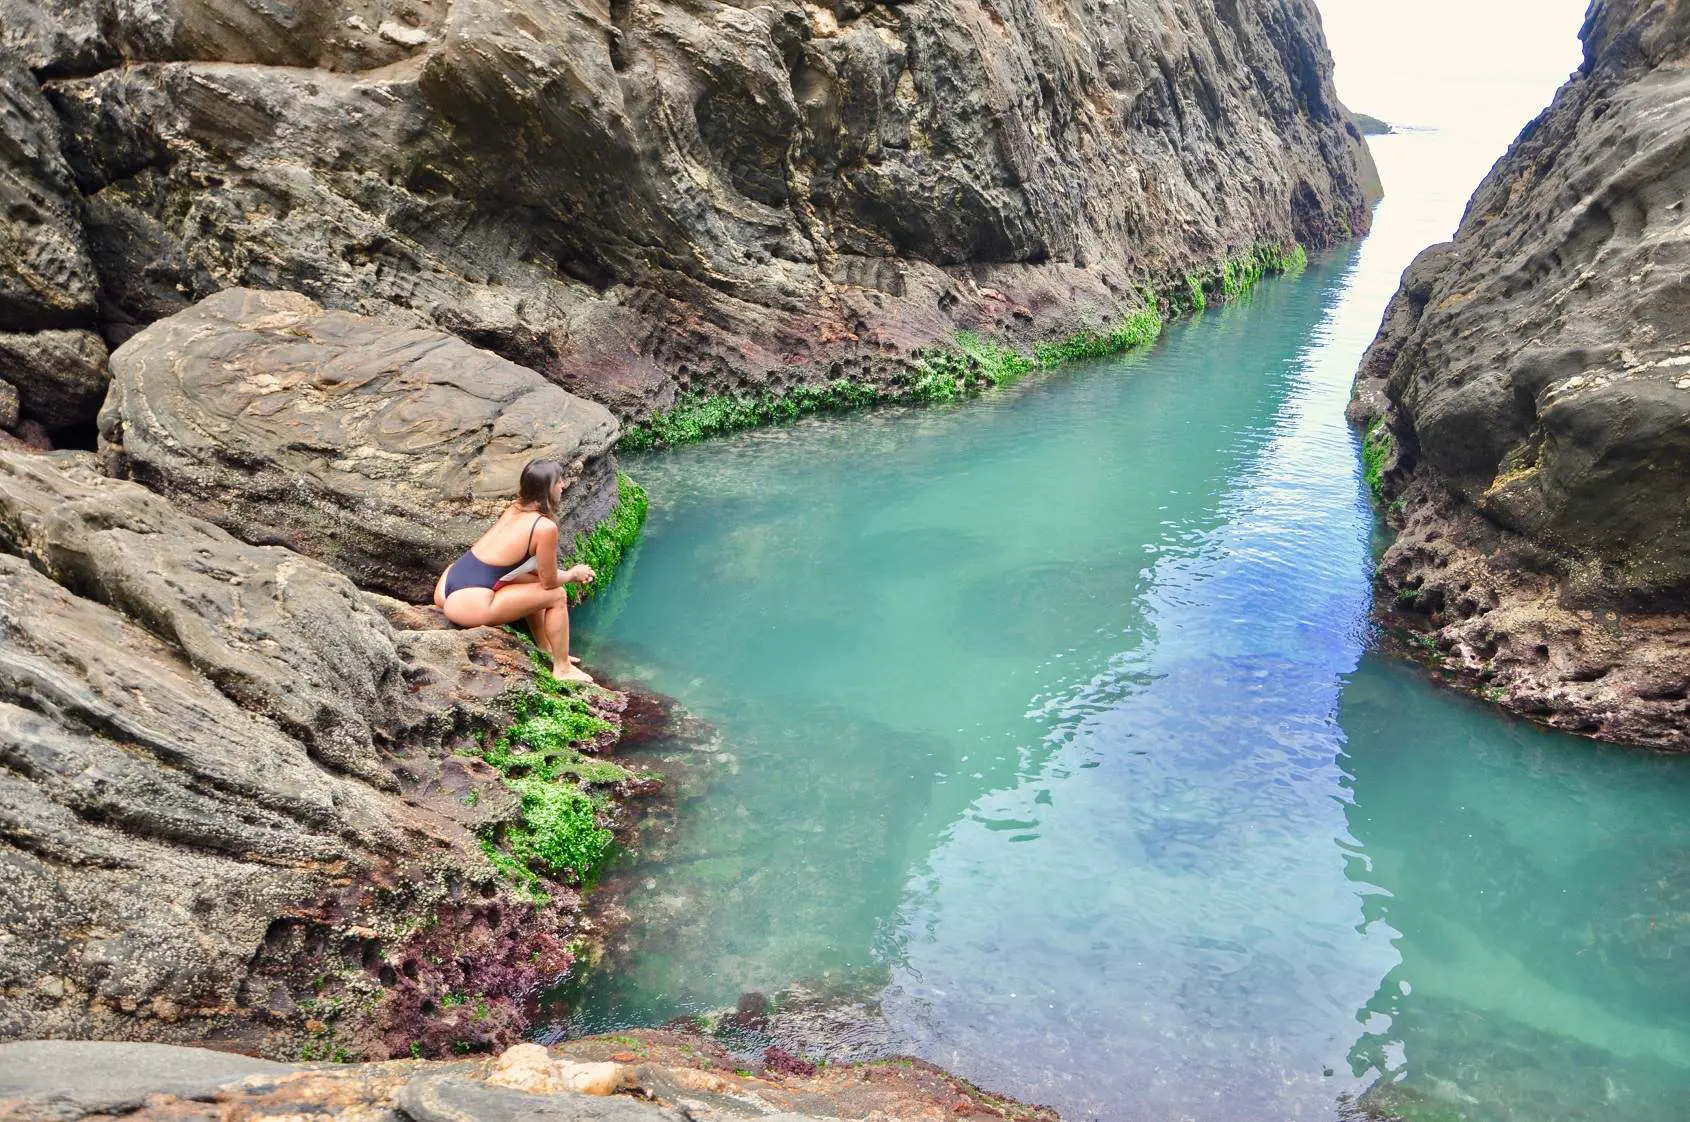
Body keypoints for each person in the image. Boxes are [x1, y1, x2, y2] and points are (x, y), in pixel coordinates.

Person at [433, 458, 596, 683]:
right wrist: (572, 575)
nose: (564, 485)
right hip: (469, 603)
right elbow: (550, 582)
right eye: (559, 481)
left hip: (449, 584)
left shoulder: (514, 508)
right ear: (548, 489)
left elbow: (535, 575)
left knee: (533, 585)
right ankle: (562, 668)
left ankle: (546, 647)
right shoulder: (545, 527)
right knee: (556, 595)